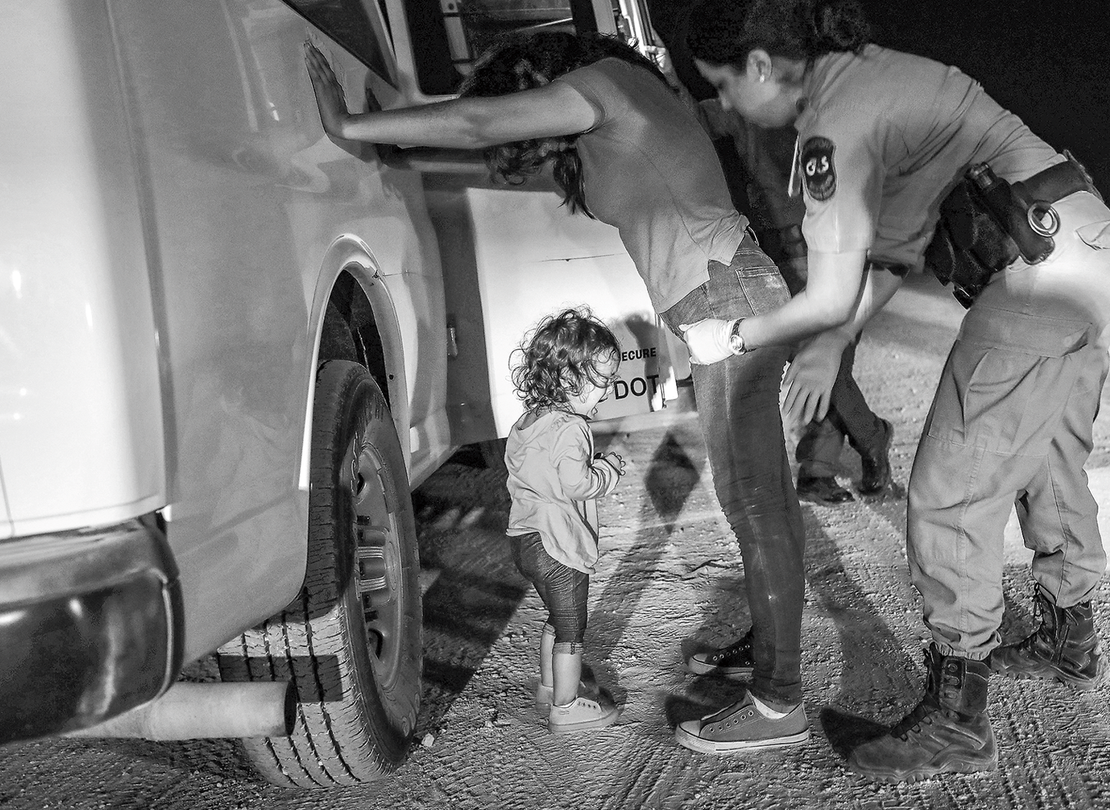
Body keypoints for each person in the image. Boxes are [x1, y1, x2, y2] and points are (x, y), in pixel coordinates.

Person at [305, 30, 811, 753]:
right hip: (718, 299)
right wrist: (389, 150)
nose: (534, 137)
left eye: (527, 109)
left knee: (756, 502)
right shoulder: (612, 123)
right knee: (760, 500)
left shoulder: (607, 85)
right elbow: (479, 147)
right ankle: (773, 652)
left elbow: (480, 122)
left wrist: (349, 125)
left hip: (727, 299)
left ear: (535, 82)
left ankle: (779, 698)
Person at [681, 0, 1110, 781]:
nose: (726, 107)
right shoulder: (877, 77)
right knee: (1046, 456)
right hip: (1091, 257)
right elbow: (890, 255)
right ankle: (1070, 639)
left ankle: (957, 722)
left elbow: (832, 292)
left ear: (760, 65)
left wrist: (736, 336)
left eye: (722, 86)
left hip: (1040, 279)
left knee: (949, 490)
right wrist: (830, 346)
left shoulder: (835, 123)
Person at [694, 101, 895, 505]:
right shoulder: (744, 102)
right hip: (779, 248)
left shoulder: (832, 100)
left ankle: (842, 453)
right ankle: (853, 446)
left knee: (830, 364)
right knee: (817, 362)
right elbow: (692, 114)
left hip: (840, 244)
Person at [503, 308, 625, 732]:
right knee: (572, 629)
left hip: (525, 538)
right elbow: (577, 484)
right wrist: (607, 471)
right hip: (558, 544)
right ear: (571, 380)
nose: (606, 391)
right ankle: (567, 707)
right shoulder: (571, 428)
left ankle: (549, 687)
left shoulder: (527, 422)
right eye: (602, 381)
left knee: (555, 619)